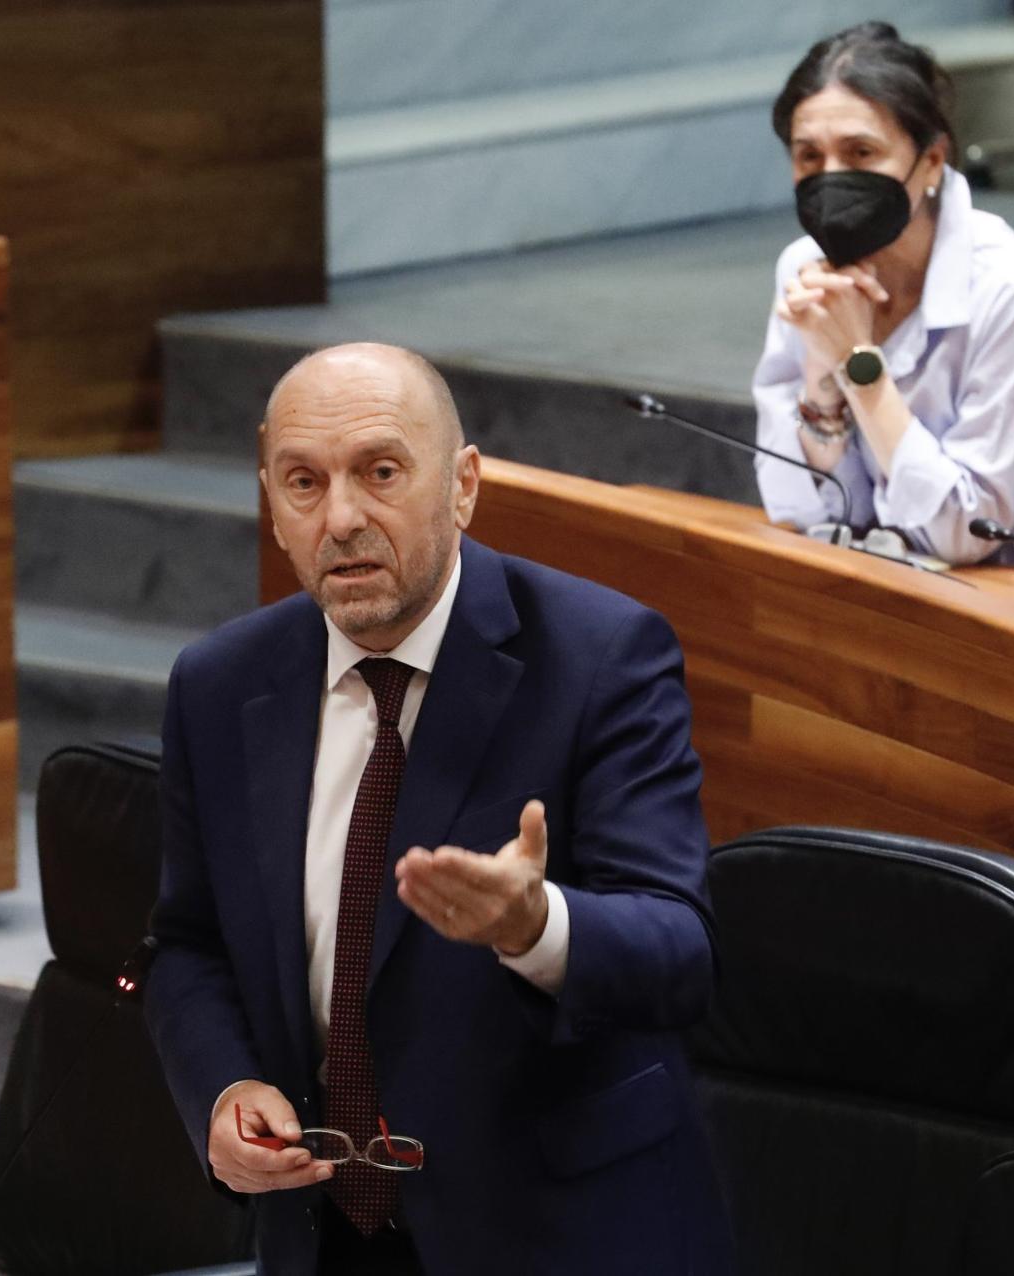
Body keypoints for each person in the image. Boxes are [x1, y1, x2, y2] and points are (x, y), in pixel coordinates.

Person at [144, 342, 734, 1276]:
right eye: (304, 482)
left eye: (380, 473)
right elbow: (185, 943)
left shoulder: (601, 657)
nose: (340, 518)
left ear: (461, 486)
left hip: (557, 1236)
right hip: (324, 1234)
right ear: (272, 501)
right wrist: (221, 1089)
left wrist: (536, 926)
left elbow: (680, 954)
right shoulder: (221, 685)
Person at [752, 22, 1014, 597]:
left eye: (861, 152)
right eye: (808, 157)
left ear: (933, 160)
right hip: (894, 583)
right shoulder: (805, 269)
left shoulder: (1013, 291)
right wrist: (822, 383)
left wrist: (856, 362)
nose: (831, 178)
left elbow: (964, 532)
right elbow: (793, 502)